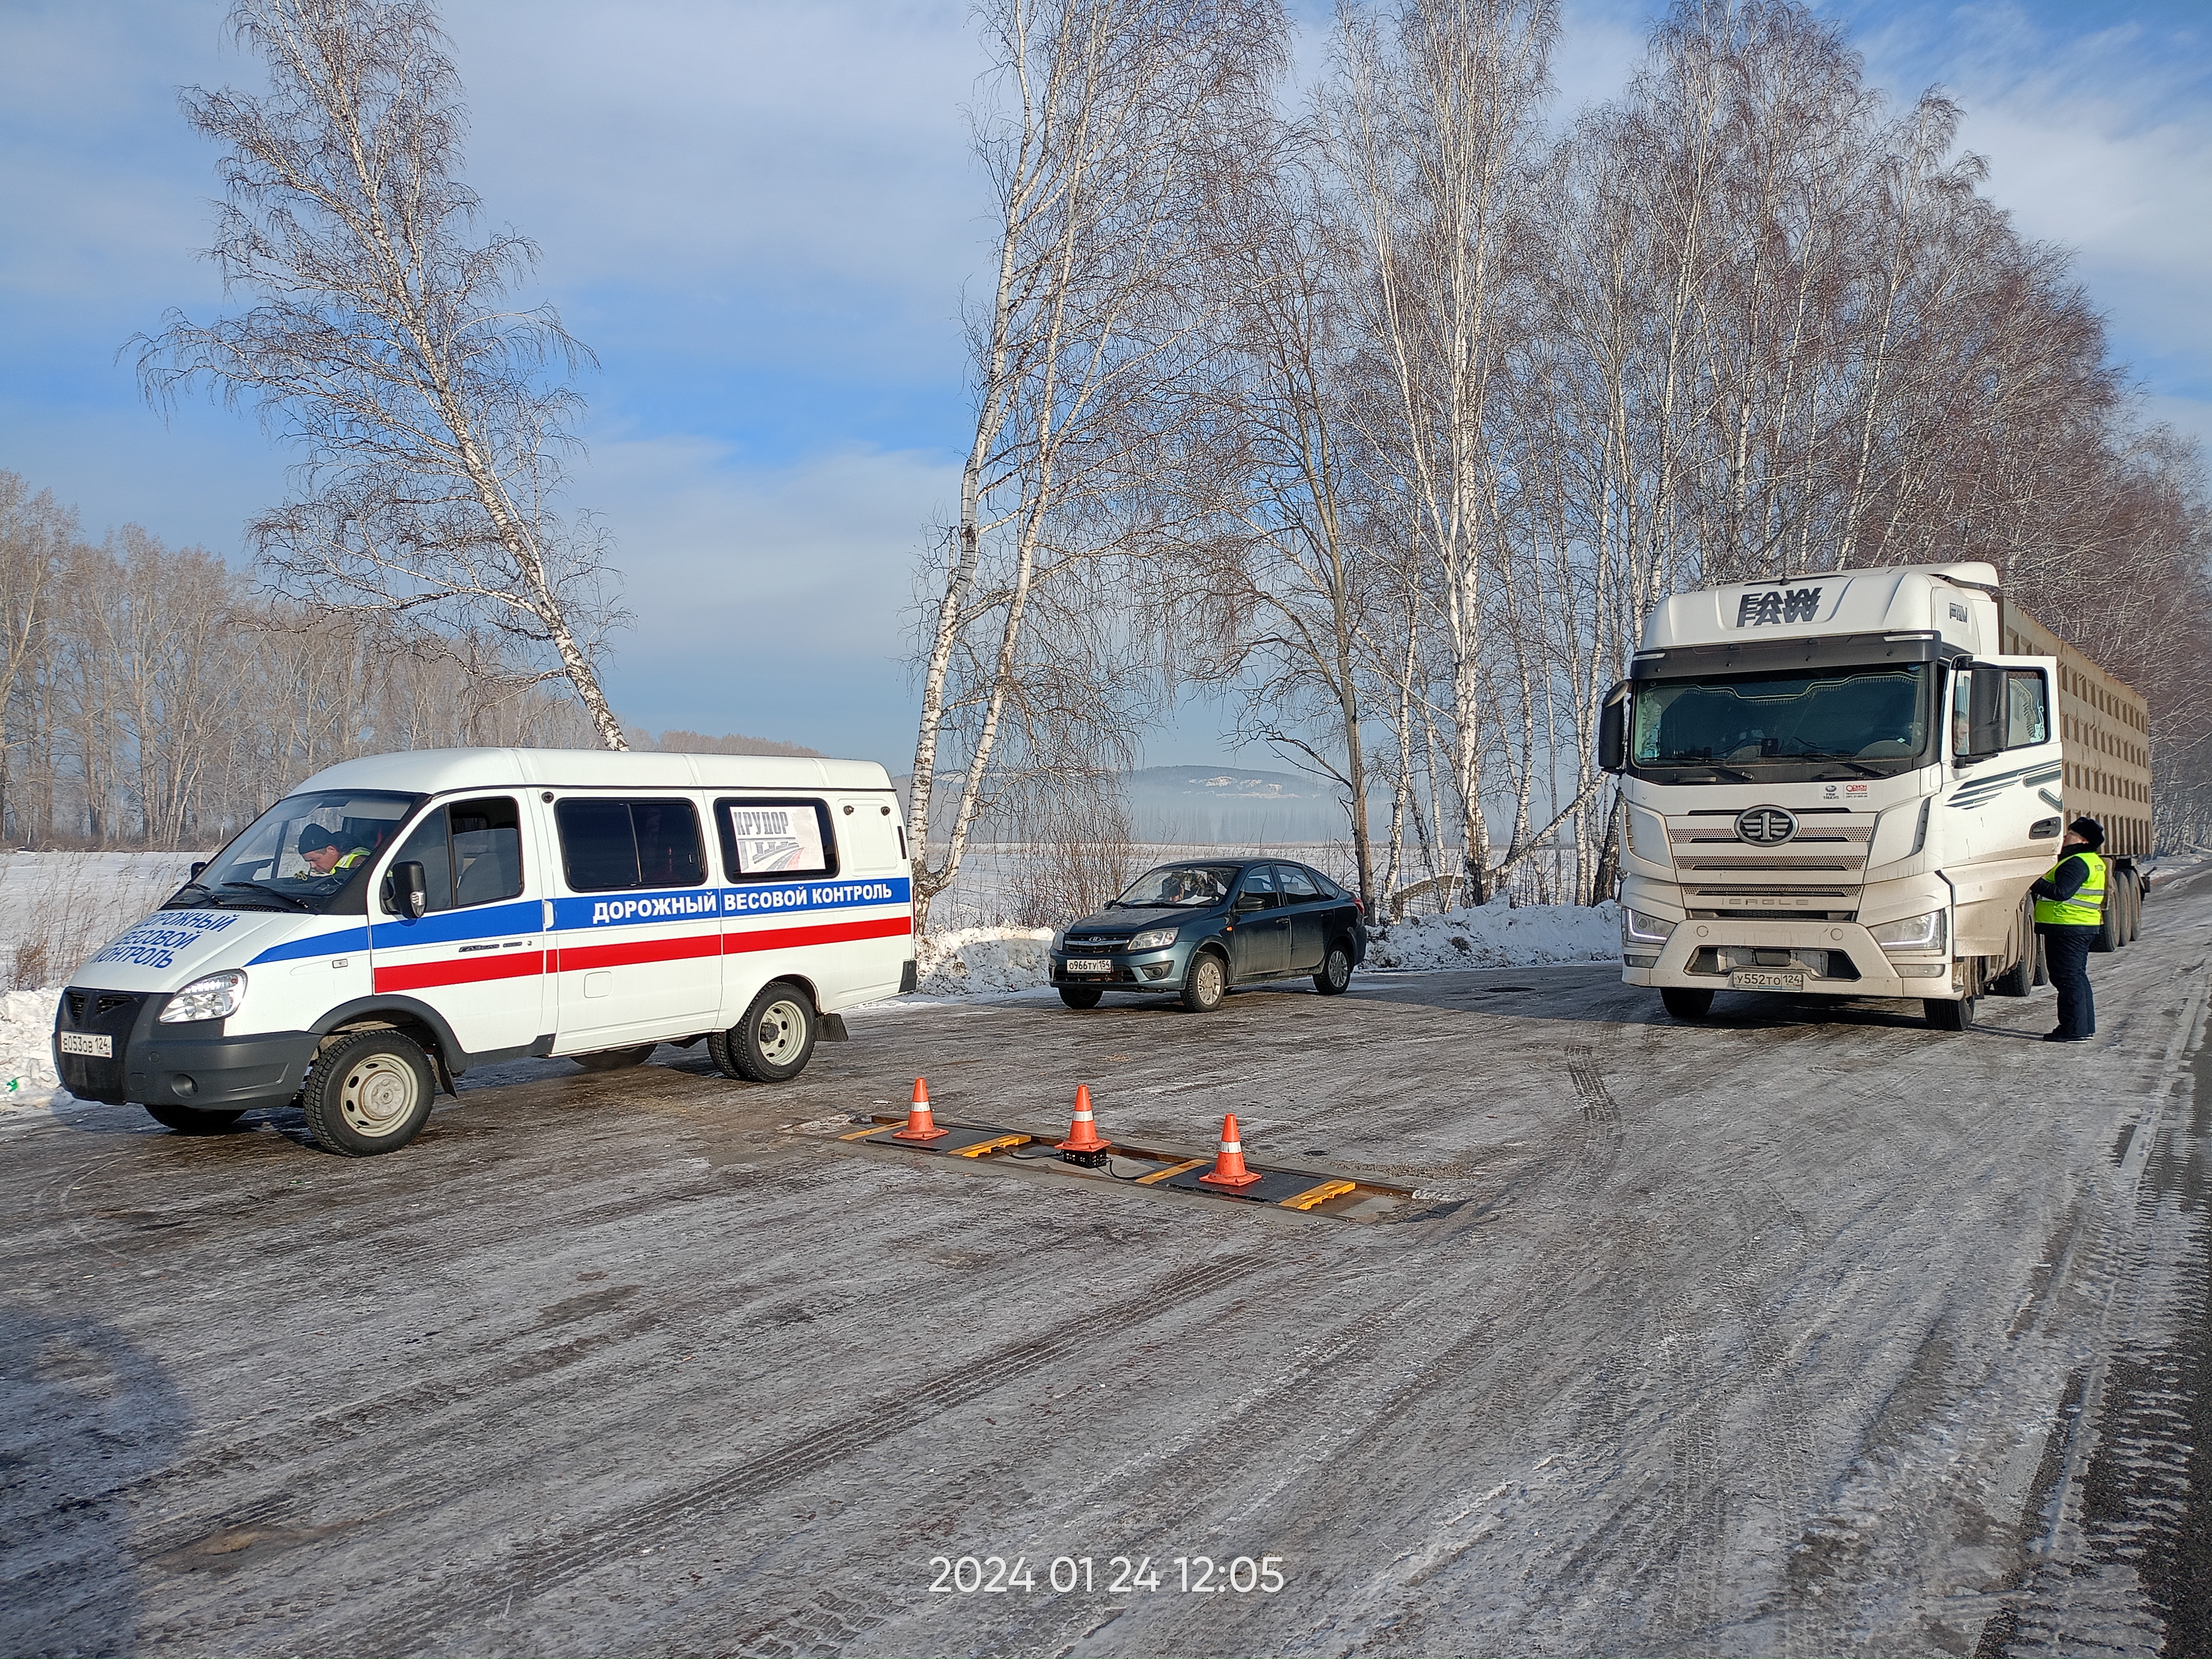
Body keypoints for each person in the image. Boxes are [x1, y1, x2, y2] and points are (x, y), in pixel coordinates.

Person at [2032, 817, 2108, 1042]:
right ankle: (2083, 1028)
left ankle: (2073, 1030)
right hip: (2078, 926)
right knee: (2076, 977)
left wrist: (2033, 879)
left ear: (2083, 840)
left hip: (2068, 927)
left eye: (2071, 834)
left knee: (2067, 979)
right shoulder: (2089, 860)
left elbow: (2061, 892)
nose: (2065, 837)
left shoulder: (2076, 862)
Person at [296, 823, 369, 878]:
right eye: (309, 862)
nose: (312, 866)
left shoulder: (361, 862)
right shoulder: (321, 869)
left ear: (332, 850)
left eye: (315, 860)